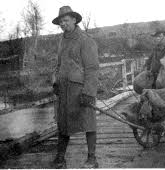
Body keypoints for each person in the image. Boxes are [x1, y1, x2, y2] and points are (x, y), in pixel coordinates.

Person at [51, 6, 99, 169]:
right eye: (60, 22)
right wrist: (56, 82)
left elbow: (92, 68)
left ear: (74, 20)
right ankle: (60, 158)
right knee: (63, 123)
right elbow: (58, 65)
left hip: (81, 90)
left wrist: (88, 92)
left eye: (66, 20)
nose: (63, 24)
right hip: (64, 90)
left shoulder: (85, 40)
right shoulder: (61, 41)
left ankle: (92, 158)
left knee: (88, 122)